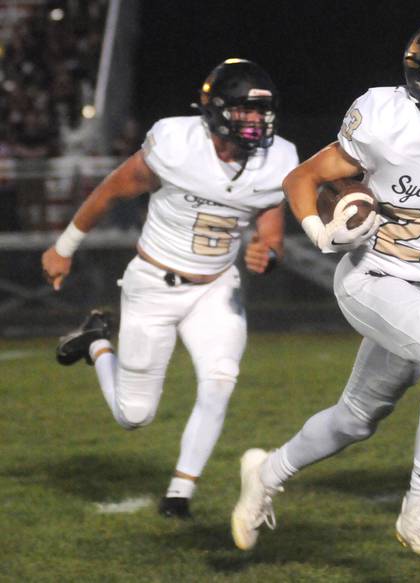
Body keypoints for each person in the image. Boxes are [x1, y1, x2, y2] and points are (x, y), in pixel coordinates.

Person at [229, 17, 420, 559]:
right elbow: (300, 179)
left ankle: (266, 472)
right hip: (372, 278)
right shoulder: (386, 119)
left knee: (357, 419)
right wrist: (320, 231)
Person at [40, 58, 299, 518]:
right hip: (154, 286)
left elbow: (271, 231)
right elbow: (110, 192)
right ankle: (98, 341)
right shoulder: (177, 145)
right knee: (133, 415)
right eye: (246, 111)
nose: (258, 122)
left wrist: (269, 254)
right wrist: (64, 247)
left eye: (262, 112)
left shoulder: (277, 158)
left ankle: (180, 493)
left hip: (216, 287)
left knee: (220, 380)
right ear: (217, 110)